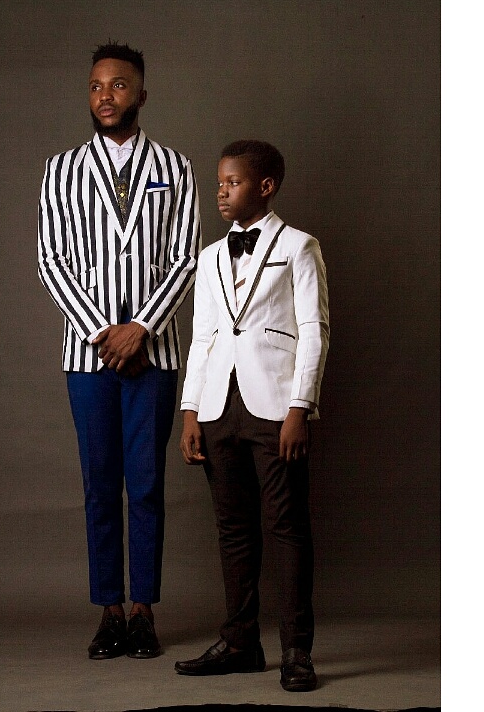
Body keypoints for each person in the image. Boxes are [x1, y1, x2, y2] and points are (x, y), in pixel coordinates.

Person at [37, 42, 201, 660]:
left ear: (142, 94)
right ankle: (108, 610)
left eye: (118, 85)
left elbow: (186, 259)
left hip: (153, 356)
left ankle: (143, 612)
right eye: (96, 86)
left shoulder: (176, 167)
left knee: (147, 484)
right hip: (89, 357)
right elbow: (50, 260)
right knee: (100, 485)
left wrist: (142, 329)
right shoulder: (61, 170)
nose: (105, 96)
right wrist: (107, 333)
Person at [175, 140, 329, 691]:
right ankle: (241, 642)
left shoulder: (299, 246)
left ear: (265, 187)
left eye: (233, 182)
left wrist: (300, 408)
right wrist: (191, 410)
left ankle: (296, 651)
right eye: (219, 182)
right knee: (233, 529)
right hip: (219, 407)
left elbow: (314, 330)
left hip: (275, 407)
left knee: (287, 528)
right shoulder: (211, 256)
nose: (221, 191)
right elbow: (203, 338)